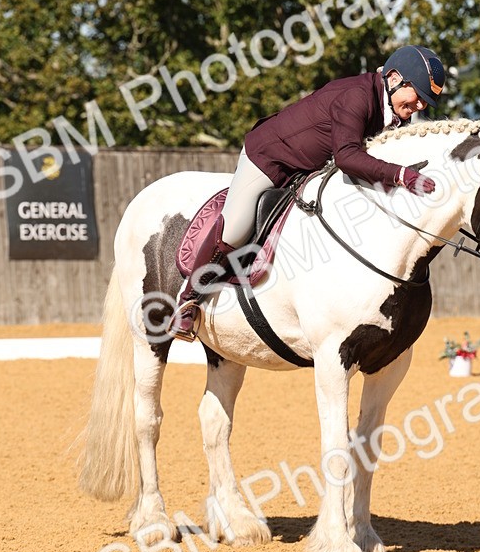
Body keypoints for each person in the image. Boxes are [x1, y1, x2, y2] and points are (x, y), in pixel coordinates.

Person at [170, 43, 446, 340]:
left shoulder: (393, 112)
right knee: (236, 228)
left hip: (307, 170)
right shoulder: (356, 96)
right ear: (394, 79)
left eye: (426, 102)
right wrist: (400, 175)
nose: (421, 106)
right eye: (419, 96)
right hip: (270, 158)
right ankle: (188, 301)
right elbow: (347, 157)